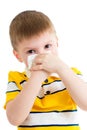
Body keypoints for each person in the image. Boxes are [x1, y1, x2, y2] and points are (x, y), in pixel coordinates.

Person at [4, 10, 87, 130]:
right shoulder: (17, 79)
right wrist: (36, 78)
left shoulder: (69, 74)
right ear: (18, 56)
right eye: (31, 51)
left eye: (47, 46)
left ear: (56, 43)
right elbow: (14, 119)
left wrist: (61, 68)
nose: (42, 55)